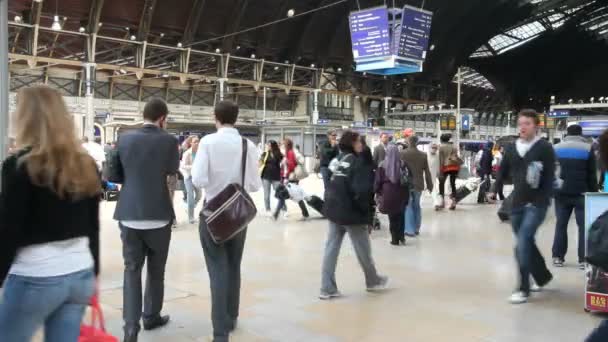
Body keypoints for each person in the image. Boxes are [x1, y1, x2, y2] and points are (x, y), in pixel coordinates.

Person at [0, 85, 101, 341]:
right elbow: (93, 226)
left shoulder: (19, 166)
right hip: (80, 273)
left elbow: (8, 230)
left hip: (36, 277)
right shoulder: (85, 163)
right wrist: (94, 273)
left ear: (26, 118)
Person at [191, 101, 262, 342]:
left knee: (217, 270)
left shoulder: (208, 142)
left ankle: (220, 332)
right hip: (238, 216)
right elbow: (254, 185)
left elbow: (198, 179)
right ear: (236, 117)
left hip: (212, 215)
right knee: (233, 266)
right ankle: (231, 317)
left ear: (216, 117)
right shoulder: (247, 145)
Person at [111, 98, 180, 341]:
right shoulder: (170, 141)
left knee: (131, 270)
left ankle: (131, 329)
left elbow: (113, 174)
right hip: (159, 215)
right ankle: (151, 316)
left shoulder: (125, 138)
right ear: (162, 118)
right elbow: (172, 171)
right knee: (156, 270)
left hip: (129, 213)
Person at [491, 109, 555, 304]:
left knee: (522, 243)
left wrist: (543, 199)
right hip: (517, 203)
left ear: (536, 126)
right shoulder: (511, 148)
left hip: (537, 204)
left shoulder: (544, 147)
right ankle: (543, 276)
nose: (523, 127)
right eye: (521, 124)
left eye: (527, 123)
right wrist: (494, 188)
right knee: (525, 242)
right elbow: (502, 172)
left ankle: (523, 288)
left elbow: (549, 177)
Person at [321, 130, 389, 299]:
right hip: (351, 213)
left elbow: (331, 182)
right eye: (359, 141)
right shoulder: (357, 163)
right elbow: (361, 191)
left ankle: (326, 287)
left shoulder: (340, 160)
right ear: (352, 143)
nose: (361, 144)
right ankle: (372, 280)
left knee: (331, 249)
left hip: (334, 210)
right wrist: (367, 215)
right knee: (363, 250)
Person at [552, 124, 597, 269]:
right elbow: (591, 174)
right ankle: (583, 260)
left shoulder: (556, 148)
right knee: (583, 227)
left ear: (567, 133)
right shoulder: (588, 148)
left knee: (560, 225)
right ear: (581, 134)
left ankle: (558, 257)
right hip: (581, 193)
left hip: (561, 193)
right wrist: (593, 192)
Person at [375, 145, 410, 245]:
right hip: (402, 192)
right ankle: (402, 236)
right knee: (401, 215)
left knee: (392, 216)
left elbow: (378, 181)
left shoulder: (382, 165)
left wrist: (377, 192)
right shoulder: (403, 164)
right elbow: (408, 178)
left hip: (388, 192)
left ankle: (394, 239)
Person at [401, 135, 433, 237]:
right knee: (417, 205)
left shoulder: (402, 153)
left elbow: (399, 169)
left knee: (408, 205)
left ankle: (409, 230)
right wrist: (430, 185)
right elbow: (427, 171)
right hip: (419, 183)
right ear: (417, 143)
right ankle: (416, 228)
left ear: (408, 142)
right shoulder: (423, 155)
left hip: (406, 184)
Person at [273, 138, 309, 220]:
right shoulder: (288, 152)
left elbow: (291, 165)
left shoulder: (290, 152)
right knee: (284, 195)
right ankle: (276, 214)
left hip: (290, 178)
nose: (282, 145)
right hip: (287, 177)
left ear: (287, 145)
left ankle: (276, 215)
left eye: (283, 144)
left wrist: (286, 176)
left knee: (293, 196)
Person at [180, 136, 202, 224]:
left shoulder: (200, 153)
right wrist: (193, 167)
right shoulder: (187, 153)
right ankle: (191, 218)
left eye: (198, 141)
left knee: (199, 195)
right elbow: (183, 166)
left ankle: (190, 206)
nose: (197, 143)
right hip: (188, 177)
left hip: (196, 177)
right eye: (195, 141)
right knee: (190, 196)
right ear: (191, 143)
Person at [260, 140, 283, 214]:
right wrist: (260, 160)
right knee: (266, 195)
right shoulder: (265, 153)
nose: (268, 147)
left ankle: (283, 208)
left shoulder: (279, 154)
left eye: (269, 145)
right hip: (265, 176)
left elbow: (282, 162)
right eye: (267, 145)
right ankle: (268, 209)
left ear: (273, 146)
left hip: (276, 177)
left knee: (279, 193)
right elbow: (260, 163)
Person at [438, 133, 460, 210]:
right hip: (454, 167)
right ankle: (454, 201)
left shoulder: (441, 147)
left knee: (441, 183)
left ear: (441, 140)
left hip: (445, 167)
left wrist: (440, 171)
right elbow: (456, 157)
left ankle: (442, 202)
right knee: (453, 184)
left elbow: (441, 160)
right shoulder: (454, 146)